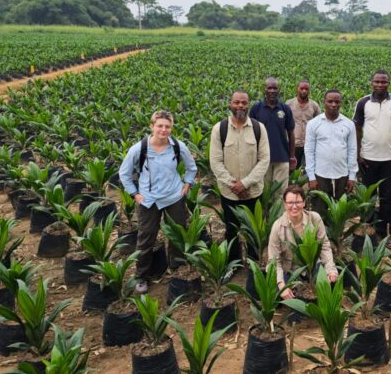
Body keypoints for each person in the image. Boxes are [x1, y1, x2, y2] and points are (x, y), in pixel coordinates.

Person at [118, 111, 198, 294]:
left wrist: (187, 184)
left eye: (167, 126)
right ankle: (141, 276)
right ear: (152, 126)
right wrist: (135, 194)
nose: (163, 130)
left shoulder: (178, 146)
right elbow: (124, 173)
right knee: (146, 238)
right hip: (149, 200)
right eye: (160, 126)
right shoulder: (139, 149)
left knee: (177, 235)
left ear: (171, 128)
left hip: (174, 197)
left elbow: (192, 167)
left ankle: (177, 270)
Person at [211, 91, 270, 268]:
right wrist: (233, 184)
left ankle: (253, 263)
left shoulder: (259, 128)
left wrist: (244, 183)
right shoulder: (219, 129)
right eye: (236, 102)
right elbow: (215, 162)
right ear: (230, 104)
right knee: (231, 230)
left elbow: (264, 159)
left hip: (253, 192)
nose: (240, 106)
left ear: (249, 104)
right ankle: (234, 264)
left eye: (244, 103)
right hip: (229, 193)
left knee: (254, 230)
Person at [353, 69, 391, 238]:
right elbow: (357, 129)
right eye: (377, 81)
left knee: (387, 196)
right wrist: (358, 153)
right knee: (368, 196)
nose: (380, 85)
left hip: (390, 158)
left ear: (388, 83)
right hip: (368, 158)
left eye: (384, 82)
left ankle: (383, 232)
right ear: (372, 83)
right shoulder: (363, 103)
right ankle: (367, 230)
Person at [268, 185, 338, 300]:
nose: (294, 206)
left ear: (304, 203)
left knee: (329, 288)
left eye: (298, 202)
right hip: (290, 270)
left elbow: (324, 246)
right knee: (280, 296)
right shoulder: (278, 226)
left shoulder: (315, 218)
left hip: (311, 266)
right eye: (290, 203)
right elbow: (274, 260)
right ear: (284, 204)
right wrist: (281, 284)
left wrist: (330, 269)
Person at [305, 90, 358, 216]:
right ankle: (320, 234)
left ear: (341, 104)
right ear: (324, 102)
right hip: (321, 173)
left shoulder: (349, 124)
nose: (333, 104)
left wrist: (352, 176)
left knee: (340, 211)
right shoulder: (314, 124)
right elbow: (309, 150)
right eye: (330, 101)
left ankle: (337, 235)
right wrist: (311, 177)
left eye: (337, 102)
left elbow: (352, 150)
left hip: (342, 173)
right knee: (319, 208)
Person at [249, 77, 296, 192]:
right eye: (269, 88)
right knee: (264, 191)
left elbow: (291, 133)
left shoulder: (285, 108)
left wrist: (291, 156)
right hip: (262, 158)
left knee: (281, 192)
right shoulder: (256, 108)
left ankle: (280, 211)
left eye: (275, 88)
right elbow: (250, 133)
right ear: (264, 89)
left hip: (282, 158)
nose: (272, 91)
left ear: (279, 90)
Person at [286, 79, 321, 168]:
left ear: (309, 90)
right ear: (297, 89)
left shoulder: (314, 105)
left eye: (306, 89)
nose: (304, 91)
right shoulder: (289, 104)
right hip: (293, 144)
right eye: (301, 88)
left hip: (309, 143)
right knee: (292, 169)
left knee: (308, 169)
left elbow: (319, 124)